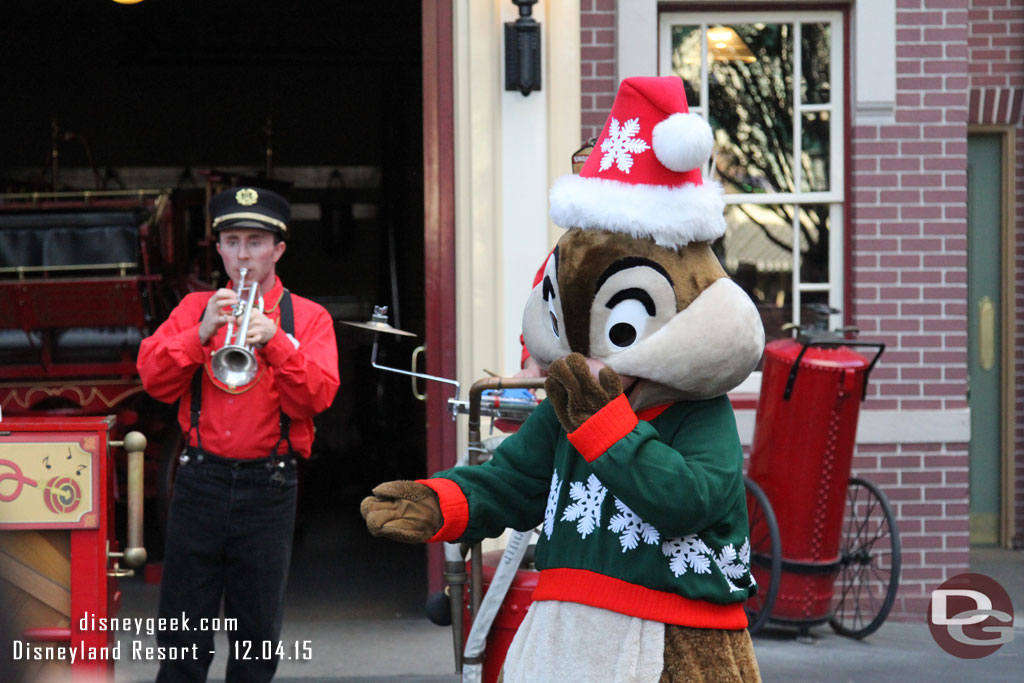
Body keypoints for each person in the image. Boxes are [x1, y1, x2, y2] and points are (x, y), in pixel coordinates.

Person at [137, 186, 340, 682]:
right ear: (220, 248)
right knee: (182, 633)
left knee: (256, 637)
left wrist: (276, 343)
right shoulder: (196, 309)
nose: (243, 255)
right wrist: (198, 333)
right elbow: (152, 378)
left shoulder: (308, 318)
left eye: (254, 242)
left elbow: (317, 397)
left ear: (278, 249)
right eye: (232, 241)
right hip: (199, 480)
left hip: (269, 486)